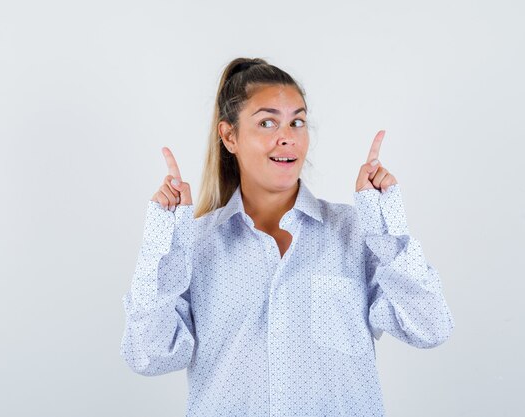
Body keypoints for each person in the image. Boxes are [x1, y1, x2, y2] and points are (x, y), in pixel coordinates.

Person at [120, 57, 455, 417]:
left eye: (297, 122)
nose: (287, 137)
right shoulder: (195, 244)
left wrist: (387, 224)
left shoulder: (356, 232)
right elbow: (147, 355)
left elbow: (430, 327)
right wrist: (163, 242)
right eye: (267, 122)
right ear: (229, 136)